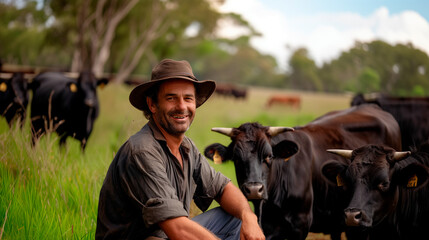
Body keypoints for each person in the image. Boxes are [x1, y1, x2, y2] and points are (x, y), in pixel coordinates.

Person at [96, 59, 265, 240]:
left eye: (188, 98)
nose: (182, 107)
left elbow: (223, 188)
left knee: (236, 217)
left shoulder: (186, 147)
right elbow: (177, 229)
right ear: (152, 104)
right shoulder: (141, 151)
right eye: (171, 98)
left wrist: (249, 217)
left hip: (167, 235)